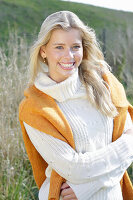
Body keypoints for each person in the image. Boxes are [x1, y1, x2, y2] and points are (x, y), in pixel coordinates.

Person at [19, 11, 133, 200]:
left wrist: (91, 186)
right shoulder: (34, 108)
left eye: (75, 47)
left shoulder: (106, 84)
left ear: (83, 49)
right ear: (43, 51)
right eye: (59, 47)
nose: (68, 56)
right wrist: (125, 146)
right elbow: (74, 169)